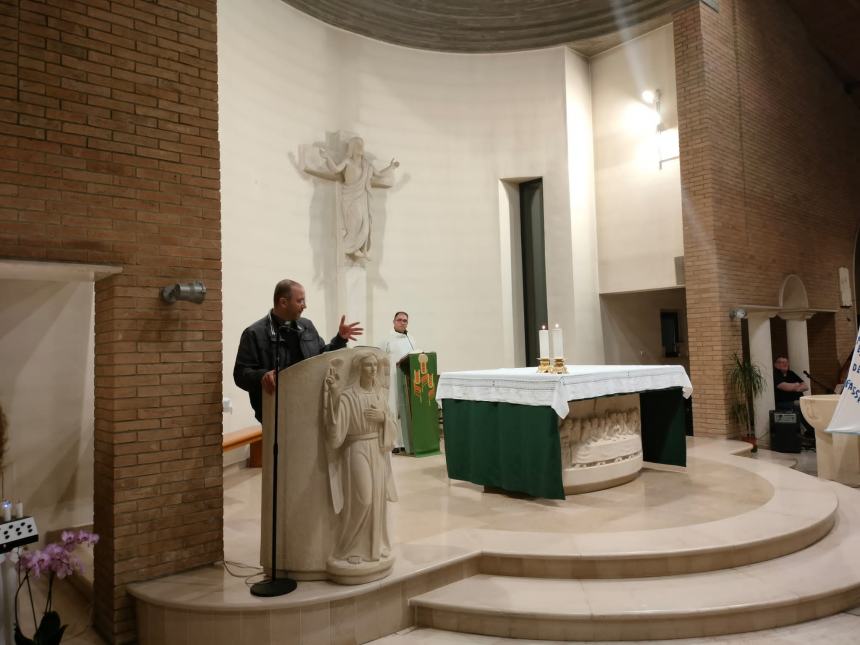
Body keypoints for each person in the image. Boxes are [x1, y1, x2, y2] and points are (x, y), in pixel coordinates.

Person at [233, 279, 363, 423]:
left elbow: (321, 356)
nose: (304, 306)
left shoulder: (306, 326)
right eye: (300, 301)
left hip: (310, 409)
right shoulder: (255, 333)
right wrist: (262, 376)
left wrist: (339, 339)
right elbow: (240, 374)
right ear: (283, 302)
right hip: (276, 416)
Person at [323, 351, 397, 566]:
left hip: (377, 447)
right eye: (368, 365)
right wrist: (333, 395)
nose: (373, 369)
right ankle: (348, 547)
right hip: (356, 447)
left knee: (377, 499)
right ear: (358, 369)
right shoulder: (348, 396)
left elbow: (392, 423)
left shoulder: (379, 395)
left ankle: (374, 546)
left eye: (375, 365)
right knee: (362, 499)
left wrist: (384, 419)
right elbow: (336, 433)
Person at [319, 137, 399, 260]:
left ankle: (356, 249)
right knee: (354, 224)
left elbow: (379, 174)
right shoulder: (348, 162)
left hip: (362, 197)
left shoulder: (367, 164)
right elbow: (335, 169)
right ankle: (345, 247)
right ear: (352, 148)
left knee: (365, 227)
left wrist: (391, 167)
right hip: (350, 198)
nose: (361, 148)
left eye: (361, 145)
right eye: (358, 145)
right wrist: (327, 157)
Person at [377, 311, 417, 453]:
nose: (402, 322)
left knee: (406, 410)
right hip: (393, 379)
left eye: (405, 320)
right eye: (399, 320)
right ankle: (394, 442)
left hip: (407, 379)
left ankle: (407, 441)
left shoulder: (411, 339)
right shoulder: (386, 339)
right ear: (394, 322)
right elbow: (379, 358)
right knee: (394, 409)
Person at [773, 355, 813, 447]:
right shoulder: (775, 375)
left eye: (786, 362)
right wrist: (797, 385)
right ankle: (812, 431)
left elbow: (805, 386)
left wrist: (794, 387)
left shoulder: (791, 373)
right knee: (800, 405)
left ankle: (812, 431)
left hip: (797, 402)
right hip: (783, 403)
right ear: (776, 365)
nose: (785, 364)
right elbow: (784, 387)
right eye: (782, 362)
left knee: (808, 404)